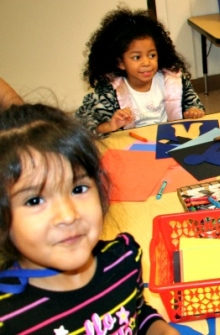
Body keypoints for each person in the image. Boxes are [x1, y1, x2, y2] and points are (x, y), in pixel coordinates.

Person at [0, 104, 178, 334]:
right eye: (35, 201)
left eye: (78, 188)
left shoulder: (123, 259)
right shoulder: (7, 315)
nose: (68, 215)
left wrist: (161, 329)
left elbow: (134, 312)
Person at [75, 7, 205, 137]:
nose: (146, 63)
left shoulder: (174, 80)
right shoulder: (110, 90)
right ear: (120, 63)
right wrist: (110, 126)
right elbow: (86, 125)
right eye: (137, 57)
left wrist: (193, 110)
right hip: (132, 146)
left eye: (152, 55)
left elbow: (193, 103)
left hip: (170, 140)